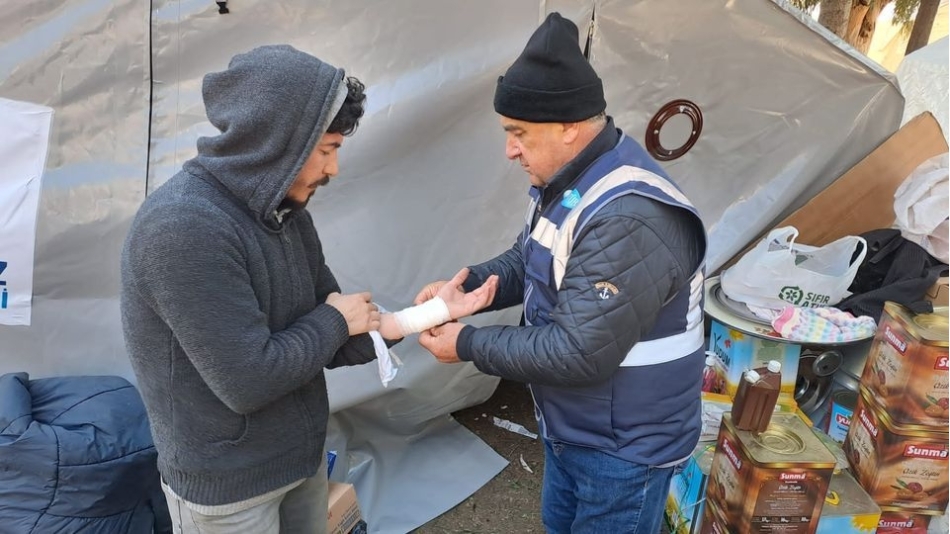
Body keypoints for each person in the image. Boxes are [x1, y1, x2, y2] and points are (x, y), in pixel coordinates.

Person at [120, 45, 495, 534]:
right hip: (229, 490)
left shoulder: (286, 215)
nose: (333, 170)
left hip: (300, 458)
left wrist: (428, 315)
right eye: (326, 150)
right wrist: (335, 319)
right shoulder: (182, 229)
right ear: (277, 144)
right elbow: (248, 382)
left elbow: (335, 336)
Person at [416, 13, 708, 534]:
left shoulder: (627, 217)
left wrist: (466, 343)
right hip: (580, 424)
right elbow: (531, 260)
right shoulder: (572, 180)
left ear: (569, 126)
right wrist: (467, 291)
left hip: (623, 446)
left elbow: (578, 353)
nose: (509, 149)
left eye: (518, 133)